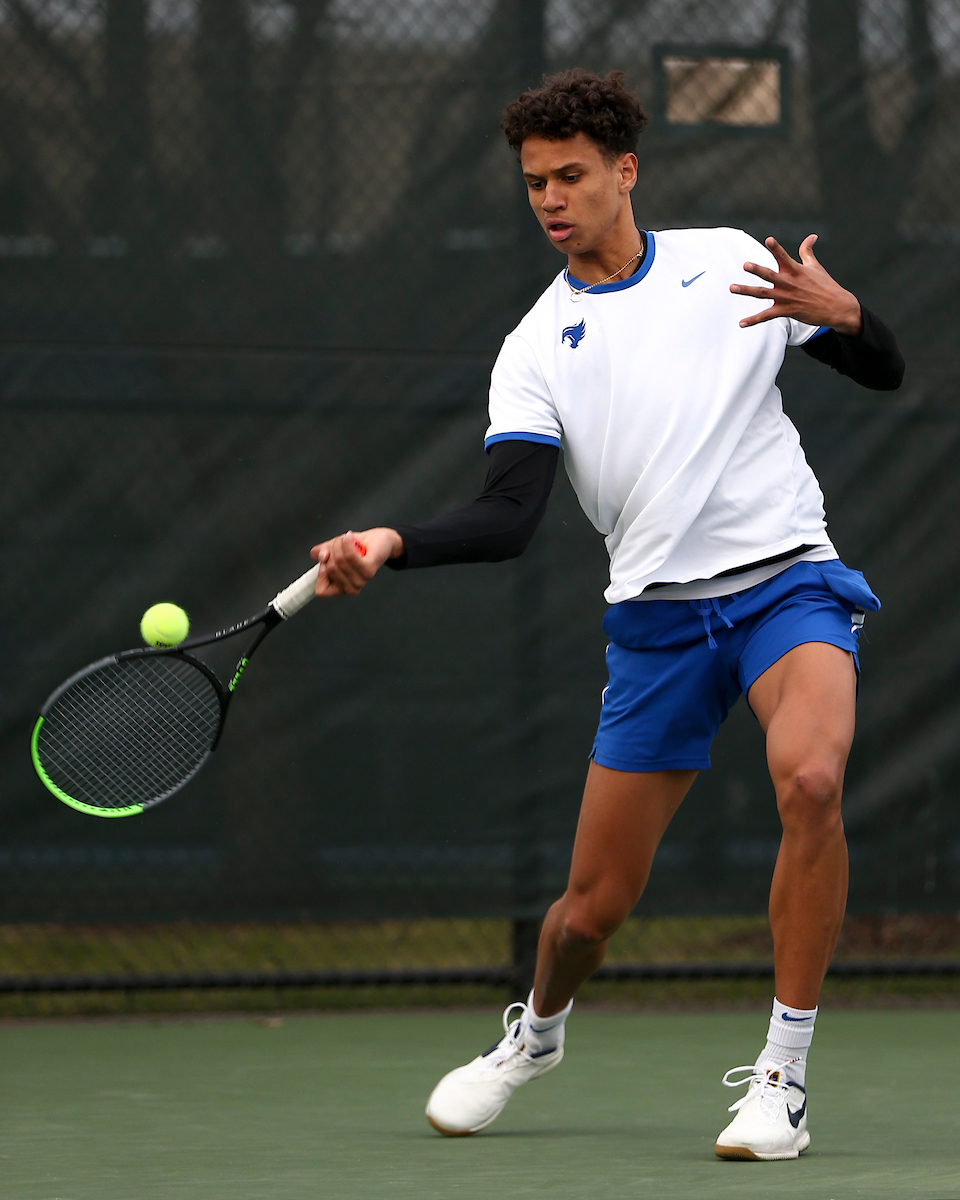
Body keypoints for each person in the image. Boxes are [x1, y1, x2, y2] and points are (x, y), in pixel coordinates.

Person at [309, 70, 904, 1160]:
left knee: (812, 779)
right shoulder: (537, 347)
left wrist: (850, 316)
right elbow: (508, 515)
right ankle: (535, 1035)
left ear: (625, 171)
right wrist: (394, 543)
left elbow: (883, 369)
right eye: (535, 181)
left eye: (571, 175)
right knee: (588, 915)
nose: (550, 198)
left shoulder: (728, 262)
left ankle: (783, 1075)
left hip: (786, 581)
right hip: (658, 626)